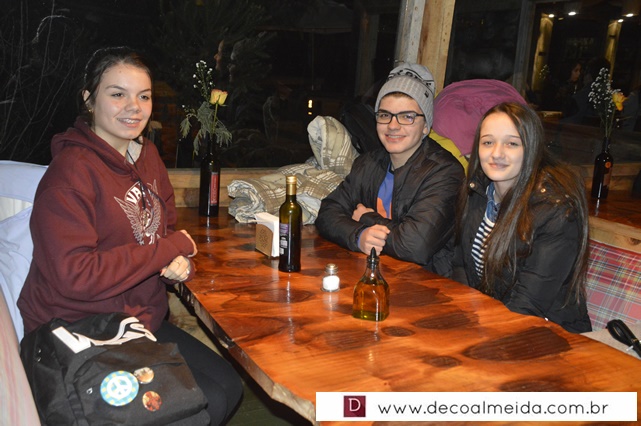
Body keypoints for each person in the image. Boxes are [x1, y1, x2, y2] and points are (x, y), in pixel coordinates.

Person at [17, 46, 242, 424]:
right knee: (199, 408)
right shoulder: (69, 174)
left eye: (144, 96)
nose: (134, 107)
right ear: (89, 99)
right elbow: (75, 275)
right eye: (118, 94)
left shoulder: (147, 156)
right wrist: (170, 248)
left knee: (226, 388)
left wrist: (175, 261)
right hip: (77, 326)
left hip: (137, 320)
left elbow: (164, 227)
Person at [453, 102, 592, 333]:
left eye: (512, 143)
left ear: (532, 148)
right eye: (488, 142)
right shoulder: (477, 190)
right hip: (491, 323)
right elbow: (460, 266)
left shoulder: (556, 210)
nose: (497, 153)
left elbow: (528, 305)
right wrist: (464, 317)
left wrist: (477, 332)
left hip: (550, 334)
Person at [315, 63, 465, 276]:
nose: (393, 126)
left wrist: (366, 218)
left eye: (407, 116)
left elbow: (415, 246)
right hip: (375, 274)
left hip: (428, 284)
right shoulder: (369, 163)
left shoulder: (445, 172)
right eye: (385, 115)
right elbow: (328, 212)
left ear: (425, 126)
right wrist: (359, 235)